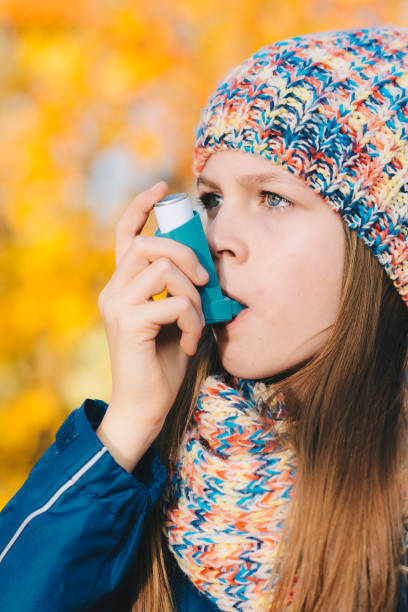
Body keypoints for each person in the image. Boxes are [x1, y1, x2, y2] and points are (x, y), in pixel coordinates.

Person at [1, 23, 408, 612]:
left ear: (385, 243)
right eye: (212, 199)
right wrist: (127, 427)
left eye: (273, 198)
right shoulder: (146, 485)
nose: (218, 238)